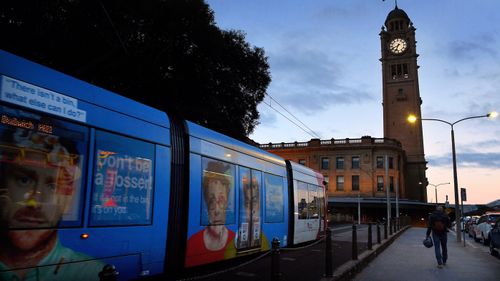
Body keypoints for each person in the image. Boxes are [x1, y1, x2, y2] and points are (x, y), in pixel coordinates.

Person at [0, 122, 104, 280]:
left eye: (53, 186)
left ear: (68, 200)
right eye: (23, 180)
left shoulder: (92, 273)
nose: (35, 202)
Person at [185, 160, 236, 267]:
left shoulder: (235, 239)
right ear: (206, 203)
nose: (217, 210)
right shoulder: (192, 243)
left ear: (227, 202)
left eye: (221, 200)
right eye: (212, 201)